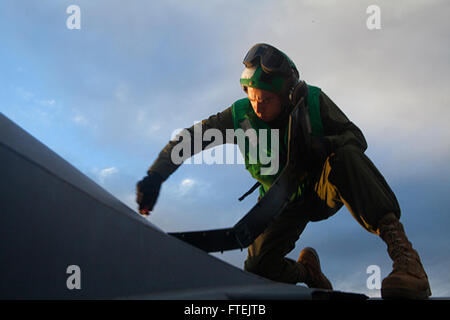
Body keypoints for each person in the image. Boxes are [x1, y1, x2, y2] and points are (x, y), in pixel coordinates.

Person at [136, 43, 431, 299]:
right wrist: (155, 176)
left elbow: (356, 137)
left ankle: (407, 261)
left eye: (266, 100)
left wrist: (323, 145)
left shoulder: (312, 101)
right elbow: (190, 139)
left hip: (321, 187)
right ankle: (307, 271)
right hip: (279, 202)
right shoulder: (240, 116)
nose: (258, 106)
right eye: (252, 96)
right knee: (258, 269)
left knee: (346, 157)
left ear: (287, 96)